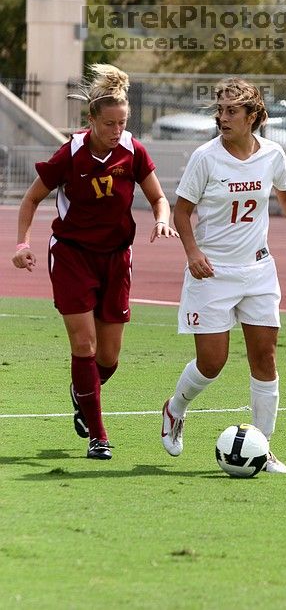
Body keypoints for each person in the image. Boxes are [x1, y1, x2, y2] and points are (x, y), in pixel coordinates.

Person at [12, 64, 178, 460]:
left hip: (117, 259)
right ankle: (98, 436)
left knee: (109, 357)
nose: (116, 130)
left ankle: (82, 392)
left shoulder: (133, 151)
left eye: (122, 122)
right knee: (83, 345)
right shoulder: (69, 154)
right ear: (91, 120)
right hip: (71, 256)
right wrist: (22, 243)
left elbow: (158, 197)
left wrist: (161, 220)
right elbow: (31, 199)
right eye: (109, 124)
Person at [161, 77, 286, 473]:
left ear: (253, 117)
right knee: (212, 362)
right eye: (220, 110)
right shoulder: (206, 158)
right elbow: (181, 211)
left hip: (259, 270)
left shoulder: (273, 154)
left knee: (265, 358)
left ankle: (262, 449)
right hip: (211, 272)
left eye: (232, 111)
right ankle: (175, 409)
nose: (222, 118)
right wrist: (192, 252)